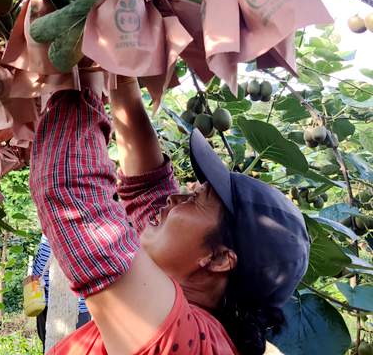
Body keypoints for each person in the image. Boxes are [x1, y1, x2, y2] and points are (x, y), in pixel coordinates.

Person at [29, 76, 309, 355]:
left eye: (196, 200)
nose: (174, 198)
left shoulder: (186, 343)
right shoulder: (200, 322)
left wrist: (73, 74)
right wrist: (121, 75)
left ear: (219, 258)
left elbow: (68, 190)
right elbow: (148, 189)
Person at [31, 234, 91, 352]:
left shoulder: (52, 231)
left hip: (53, 307)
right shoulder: (90, 231)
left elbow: (38, 271)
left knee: (53, 348)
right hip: (82, 306)